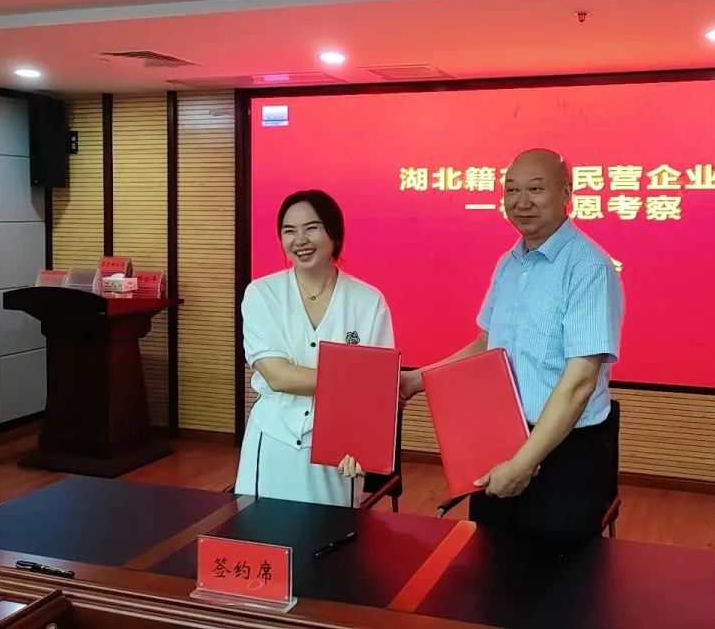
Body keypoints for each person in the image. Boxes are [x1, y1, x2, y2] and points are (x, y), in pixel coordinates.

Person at [401, 148, 624, 548]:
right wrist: (417, 380)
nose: (522, 202)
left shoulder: (588, 268)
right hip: (498, 436)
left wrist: (525, 462)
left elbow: (580, 382)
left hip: (564, 449)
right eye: (511, 190)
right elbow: (488, 344)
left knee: (557, 573)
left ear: (566, 193)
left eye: (535, 189)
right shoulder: (509, 263)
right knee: (489, 558)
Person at [235, 189, 394, 505]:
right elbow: (278, 376)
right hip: (274, 438)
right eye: (289, 231)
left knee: (333, 533)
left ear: (334, 234)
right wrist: (359, 381)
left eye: (312, 228)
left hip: (340, 447)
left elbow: (380, 388)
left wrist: (364, 443)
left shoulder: (368, 301)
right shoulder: (262, 293)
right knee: (262, 529)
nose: (300, 240)